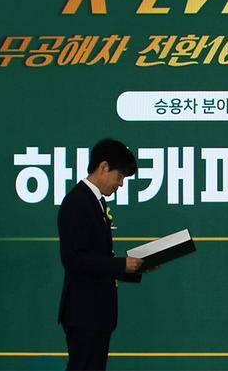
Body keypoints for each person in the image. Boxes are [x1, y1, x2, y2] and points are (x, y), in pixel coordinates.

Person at [57, 138, 144, 371]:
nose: (121, 184)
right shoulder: (78, 202)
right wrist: (122, 265)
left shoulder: (95, 202)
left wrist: (137, 266)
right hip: (85, 311)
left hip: (96, 312)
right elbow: (74, 258)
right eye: (120, 176)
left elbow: (97, 257)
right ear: (104, 166)